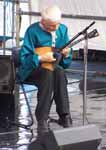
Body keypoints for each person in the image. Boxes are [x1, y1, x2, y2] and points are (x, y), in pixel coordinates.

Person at [17, 5, 73, 136]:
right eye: (51, 26)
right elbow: (24, 59)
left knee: (59, 72)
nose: (55, 29)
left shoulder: (62, 30)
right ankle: (42, 118)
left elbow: (65, 65)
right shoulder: (32, 30)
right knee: (47, 74)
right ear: (42, 22)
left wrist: (66, 55)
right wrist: (41, 58)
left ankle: (65, 115)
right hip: (32, 70)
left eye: (57, 24)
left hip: (53, 68)